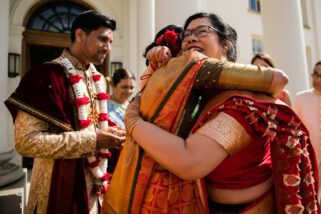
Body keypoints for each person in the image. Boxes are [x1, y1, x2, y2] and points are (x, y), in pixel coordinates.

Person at [104, 13, 319, 213]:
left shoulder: (240, 103)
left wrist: (132, 121)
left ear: (225, 45)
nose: (190, 38)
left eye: (201, 32)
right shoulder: (201, 92)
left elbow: (188, 162)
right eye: (186, 35)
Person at [4, 10, 126, 214]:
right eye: (103, 39)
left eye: (111, 41)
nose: (108, 48)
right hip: (57, 191)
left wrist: (117, 133)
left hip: (95, 193)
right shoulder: (44, 76)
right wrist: (93, 140)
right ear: (80, 35)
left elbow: (92, 122)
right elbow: (25, 142)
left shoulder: (98, 79)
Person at [294, 60, 321, 202]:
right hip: (309, 159)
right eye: (315, 74)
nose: (317, 79)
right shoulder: (301, 98)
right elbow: (295, 129)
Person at [106, 68, 135, 174]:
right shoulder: (103, 106)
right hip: (110, 160)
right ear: (113, 86)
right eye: (124, 87)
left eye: (131, 87)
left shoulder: (134, 107)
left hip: (129, 159)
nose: (128, 91)